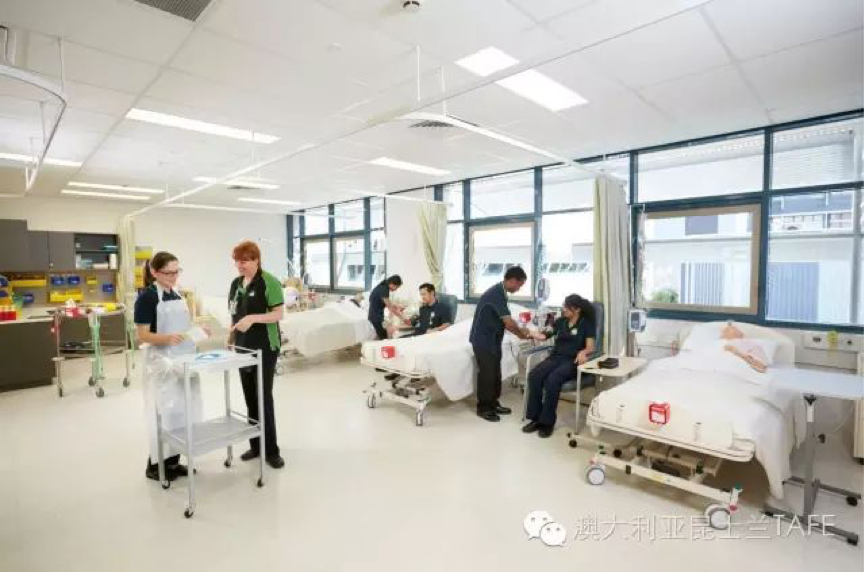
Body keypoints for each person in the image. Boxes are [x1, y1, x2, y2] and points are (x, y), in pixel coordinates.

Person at [135, 251, 203, 481]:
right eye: (168, 273)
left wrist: (197, 331)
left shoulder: (176, 294)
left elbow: (183, 327)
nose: (174, 277)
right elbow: (142, 335)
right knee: (164, 413)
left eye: (177, 272)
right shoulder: (147, 298)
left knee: (181, 413)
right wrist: (166, 339)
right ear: (154, 272)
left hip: (182, 360)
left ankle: (174, 462)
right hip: (161, 362)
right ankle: (156, 466)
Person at [228, 241, 286, 469]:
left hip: (265, 346)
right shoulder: (236, 284)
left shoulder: (268, 282)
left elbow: (278, 314)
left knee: (263, 396)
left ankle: (271, 450)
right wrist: (231, 337)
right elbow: (234, 314)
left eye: (244, 261)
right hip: (243, 347)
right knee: (250, 397)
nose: (239, 265)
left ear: (256, 260)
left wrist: (253, 318)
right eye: (237, 261)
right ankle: (255, 445)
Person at [523, 294, 596, 438]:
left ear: (577, 309)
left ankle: (547, 423)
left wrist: (583, 352)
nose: (563, 309)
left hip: (572, 361)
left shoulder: (586, 323)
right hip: (556, 357)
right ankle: (535, 419)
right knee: (534, 375)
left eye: (566, 307)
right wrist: (530, 333)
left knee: (553, 380)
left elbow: (590, 346)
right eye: (564, 306)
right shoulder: (560, 321)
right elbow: (544, 335)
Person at [469, 266, 530, 422]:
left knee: (496, 373)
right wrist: (520, 334)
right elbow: (508, 323)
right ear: (513, 280)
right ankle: (483, 408)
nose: (519, 289)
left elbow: (505, 318)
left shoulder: (501, 292)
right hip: (483, 340)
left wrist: (520, 329)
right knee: (487, 374)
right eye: (519, 285)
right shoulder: (495, 294)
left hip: (493, 339)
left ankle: (493, 403)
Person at [368, 274, 408, 340]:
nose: (396, 289)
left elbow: (387, 303)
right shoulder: (384, 289)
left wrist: (396, 306)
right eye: (397, 287)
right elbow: (390, 308)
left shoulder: (383, 286)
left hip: (376, 315)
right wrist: (403, 318)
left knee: (381, 335)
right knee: (383, 337)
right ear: (392, 284)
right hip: (375, 316)